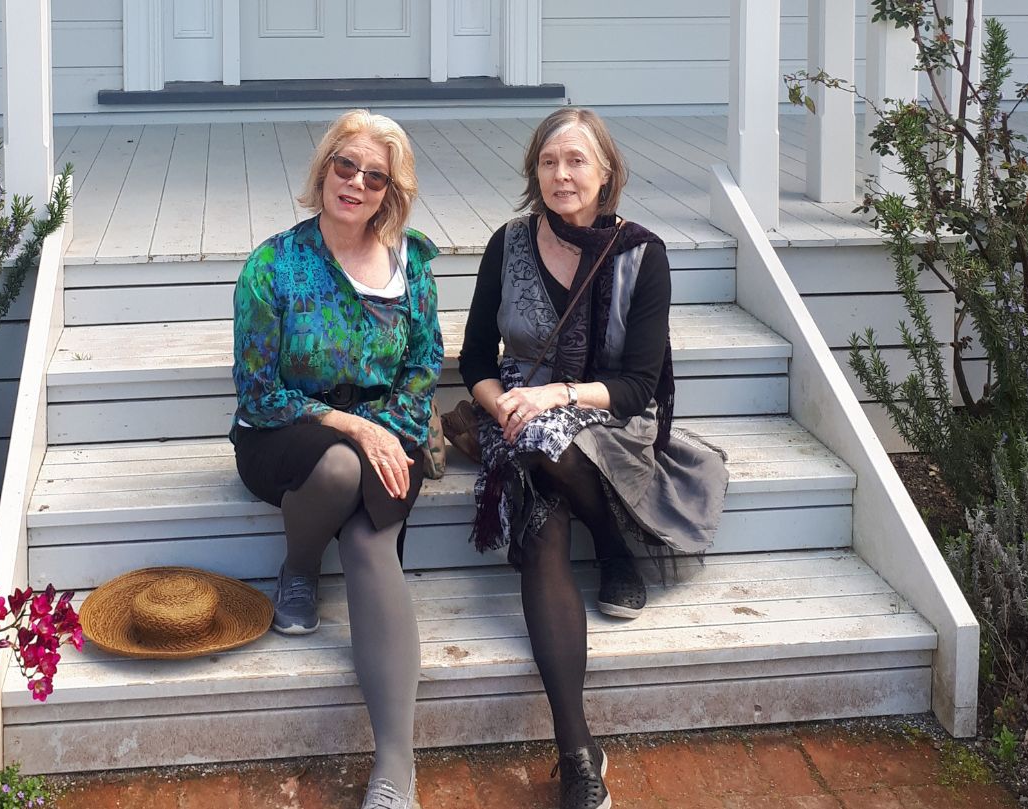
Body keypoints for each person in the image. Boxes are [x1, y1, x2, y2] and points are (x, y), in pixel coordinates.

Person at [457, 107, 728, 809]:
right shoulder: (508, 243)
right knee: (542, 514)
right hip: (517, 414)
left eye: (576, 160)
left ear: (606, 172)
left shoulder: (642, 254)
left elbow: (639, 385)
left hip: (608, 415)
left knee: (547, 456)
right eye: (548, 162)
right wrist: (501, 405)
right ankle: (578, 752)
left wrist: (557, 394)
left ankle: (608, 537)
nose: (561, 175)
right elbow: (476, 360)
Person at [232, 108, 442, 809]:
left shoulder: (411, 264)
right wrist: (350, 426)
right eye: (344, 166)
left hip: (391, 428)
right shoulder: (272, 266)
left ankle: (395, 768)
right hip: (286, 430)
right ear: (323, 170)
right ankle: (298, 566)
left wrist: (385, 431)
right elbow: (258, 391)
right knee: (340, 466)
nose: (355, 183)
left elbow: (423, 369)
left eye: (374, 177)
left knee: (368, 537)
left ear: (390, 192)